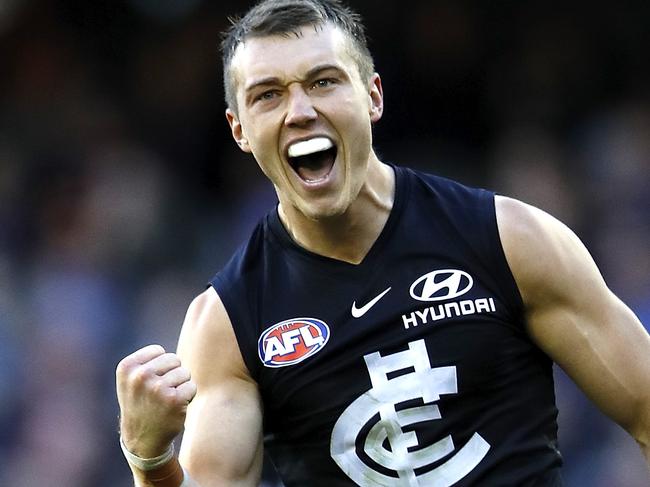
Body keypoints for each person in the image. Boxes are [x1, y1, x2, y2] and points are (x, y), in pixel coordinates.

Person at [115, 0, 650, 485]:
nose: (299, 111)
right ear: (239, 130)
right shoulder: (228, 324)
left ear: (372, 96)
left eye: (323, 81)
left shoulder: (509, 239)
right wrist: (149, 458)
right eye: (268, 95)